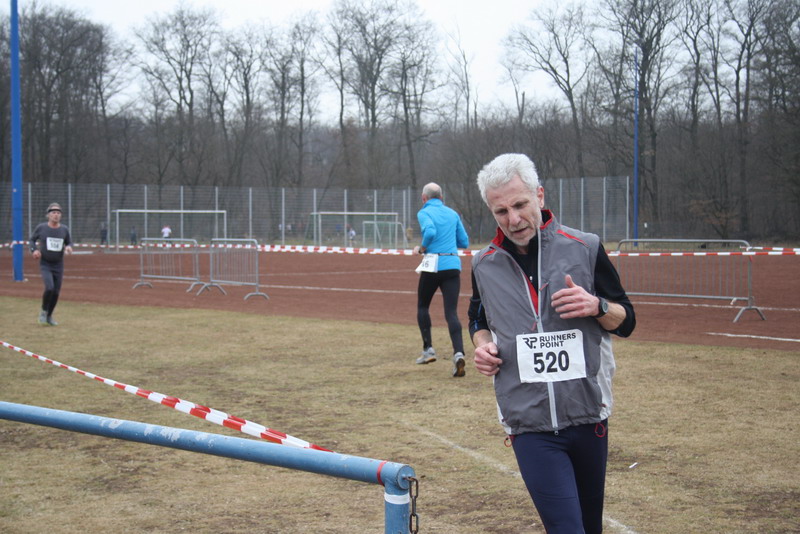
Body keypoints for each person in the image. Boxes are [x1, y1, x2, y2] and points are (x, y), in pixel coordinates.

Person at [468, 154, 635, 533]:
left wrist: (596, 306)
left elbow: (627, 320)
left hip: (587, 414)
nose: (513, 219)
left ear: (539, 196)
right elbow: (478, 319)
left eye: (520, 205)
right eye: (501, 211)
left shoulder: (585, 247)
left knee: (589, 527)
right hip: (529, 424)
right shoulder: (484, 264)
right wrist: (483, 346)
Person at [413, 182, 470, 377]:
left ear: (424, 198)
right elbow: (464, 242)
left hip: (433, 265)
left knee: (423, 306)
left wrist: (422, 248)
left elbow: (430, 232)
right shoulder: (453, 214)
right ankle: (459, 354)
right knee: (451, 312)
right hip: (452, 264)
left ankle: (428, 349)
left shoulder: (424, 213)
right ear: (441, 197)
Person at [29, 203, 74, 326]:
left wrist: (69, 247)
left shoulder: (64, 229)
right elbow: (32, 240)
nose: (56, 215)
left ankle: (49, 316)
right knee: (49, 287)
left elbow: (69, 242)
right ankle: (44, 311)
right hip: (46, 264)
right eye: (53, 213)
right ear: (48, 215)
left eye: (58, 213)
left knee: (56, 292)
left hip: (58, 264)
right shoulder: (42, 228)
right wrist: (34, 250)